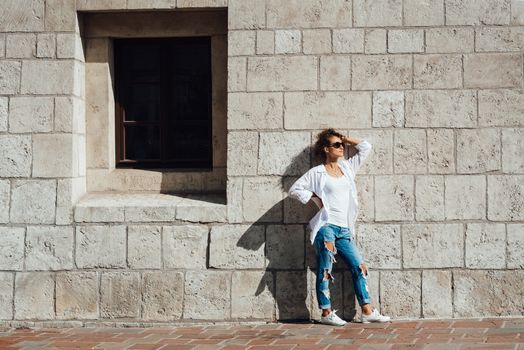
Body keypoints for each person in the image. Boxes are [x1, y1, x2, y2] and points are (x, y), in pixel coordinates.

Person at [289, 128, 390, 326]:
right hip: (326, 227)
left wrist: (345, 138)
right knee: (325, 269)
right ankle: (326, 312)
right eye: (336, 145)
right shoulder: (317, 173)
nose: (341, 147)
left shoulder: (347, 168)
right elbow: (295, 189)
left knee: (359, 266)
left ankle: (367, 311)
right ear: (326, 149)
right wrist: (315, 197)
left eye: (341, 144)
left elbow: (365, 147)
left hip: (345, 229)